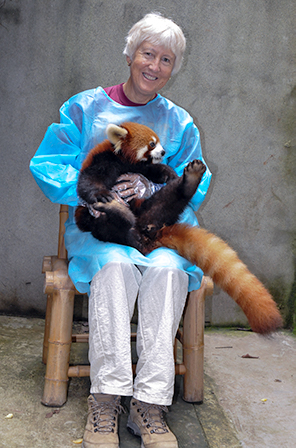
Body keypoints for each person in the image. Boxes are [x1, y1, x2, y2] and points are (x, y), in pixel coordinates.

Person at [30, 12, 211, 448]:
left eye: (166, 59)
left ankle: (150, 405)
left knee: (169, 271)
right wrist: (96, 191)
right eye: (148, 54)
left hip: (157, 230)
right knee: (114, 268)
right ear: (131, 55)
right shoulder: (84, 107)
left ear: (173, 68)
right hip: (101, 232)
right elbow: (47, 163)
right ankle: (107, 397)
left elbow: (195, 182)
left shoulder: (180, 121)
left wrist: (153, 183)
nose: (155, 65)